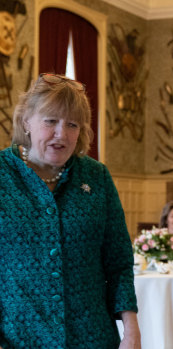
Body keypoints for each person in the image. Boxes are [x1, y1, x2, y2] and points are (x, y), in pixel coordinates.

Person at [0, 73, 140, 348]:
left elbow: (119, 262)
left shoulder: (96, 176)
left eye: (72, 124)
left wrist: (131, 331)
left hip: (92, 336)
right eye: (50, 121)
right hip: (18, 338)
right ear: (27, 120)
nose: (61, 134)